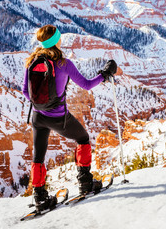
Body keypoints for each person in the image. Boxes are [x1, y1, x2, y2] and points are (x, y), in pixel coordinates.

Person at [22, 25, 117, 211]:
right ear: (55, 41)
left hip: (37, 116)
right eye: (58, 37)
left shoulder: (32, 61)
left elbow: (26, 92)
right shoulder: (64, 64)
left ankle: (40, 196)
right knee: (82, 138)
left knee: (38, 156)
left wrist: (42, 104)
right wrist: (104, 75)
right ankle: (85, 182)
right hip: (58, 117)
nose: (60, 39)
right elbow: (87, 85)